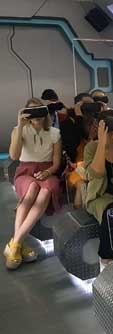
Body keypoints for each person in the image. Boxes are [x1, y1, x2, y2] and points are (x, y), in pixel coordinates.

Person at [6, 98, 62, 269]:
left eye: (39, 110)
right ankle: (17, 244)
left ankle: (15, 244)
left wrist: (47, 172)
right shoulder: (19, 130)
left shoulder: (54, 133)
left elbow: (56, 163)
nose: (35, 115)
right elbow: (14, 156)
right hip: (25, 171)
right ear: (25, 114)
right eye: (31, 111)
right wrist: (20, 125)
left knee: (45, 191)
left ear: (45, 112)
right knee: (32, 188)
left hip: (47, 171)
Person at [84, 110, 113, 267]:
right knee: (112, 211)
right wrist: (102, 142)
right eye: (110, 129)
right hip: (101, 194)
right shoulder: (92, 147)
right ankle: (106, 258)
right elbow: (97, 173)